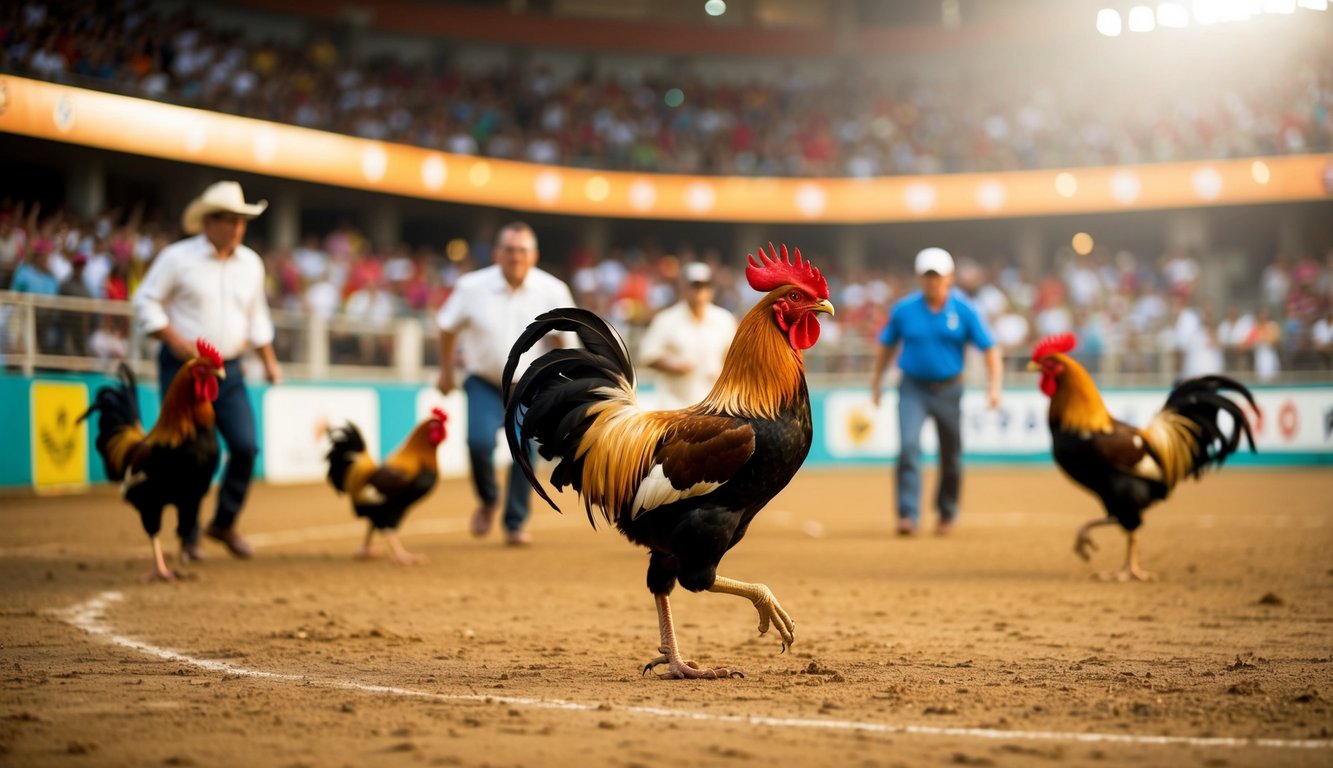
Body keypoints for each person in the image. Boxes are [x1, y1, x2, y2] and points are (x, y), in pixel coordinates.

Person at [133, 180, 283, 561]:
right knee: (191, 457)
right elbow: (145, 301)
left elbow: (257, 316)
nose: (236, 228)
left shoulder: (250, 263)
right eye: (229, 220)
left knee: (245, 446)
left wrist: (268, 359)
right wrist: (170, 337)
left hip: (228, 370)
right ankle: (188, 535)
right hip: (184, 370)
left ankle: (224, 521)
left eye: (241, 221)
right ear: (208, 222)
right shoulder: (177, 258)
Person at [435, 222, 574, 546]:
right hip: (483, 381)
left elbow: (567, 341)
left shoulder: (553, 290)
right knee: (479, 443)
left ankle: (514, 522)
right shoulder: (472, 287)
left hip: (529, 386)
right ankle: (488, 499)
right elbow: (445, 326)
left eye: (522, 250)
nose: (515, 256)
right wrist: (445, 370)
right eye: (509, 250)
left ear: (534, 255)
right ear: (497, 253)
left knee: (524, 453)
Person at [869, 247, 1002, 537]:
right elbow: (886, 346)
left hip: (949, 389)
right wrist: (876, 381)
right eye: (928, 276)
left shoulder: (965, 310)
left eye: (939, 277)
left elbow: (989, 349)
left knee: (951, 454)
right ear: (920, 278)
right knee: (908, 447)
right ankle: (908, 514)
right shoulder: (904, 310)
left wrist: (994, 385)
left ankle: (947, 512)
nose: (933, 282)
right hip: (912, 388)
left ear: (950, 278)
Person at [638, 262, 738, 410]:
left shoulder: (724, 319)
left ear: (711, 289)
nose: (700, 291)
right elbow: (647, 355)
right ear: (684, 288)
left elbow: (733, 355)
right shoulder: (666, 319)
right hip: (674, 406)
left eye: (704, 285)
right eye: (695, 285)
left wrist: (723, 373)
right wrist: (671, 365)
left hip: (713, 405)